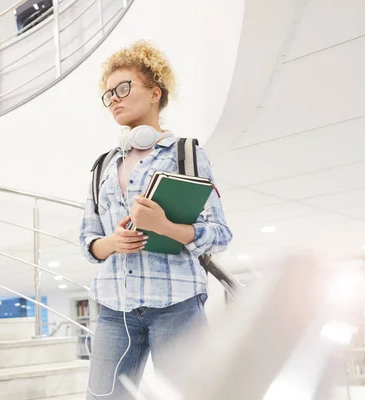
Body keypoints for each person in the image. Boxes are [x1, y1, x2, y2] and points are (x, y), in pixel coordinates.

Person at [79, 40, 233, 398]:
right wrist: (111, 244)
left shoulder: (187, 154)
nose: (113, 98)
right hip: (115, 309)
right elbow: (89, 240)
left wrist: (165, 227)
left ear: (154, 93)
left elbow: (221, 234)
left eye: (123, 88)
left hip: (177, 306)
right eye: (108, 94)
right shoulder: (102, 165)